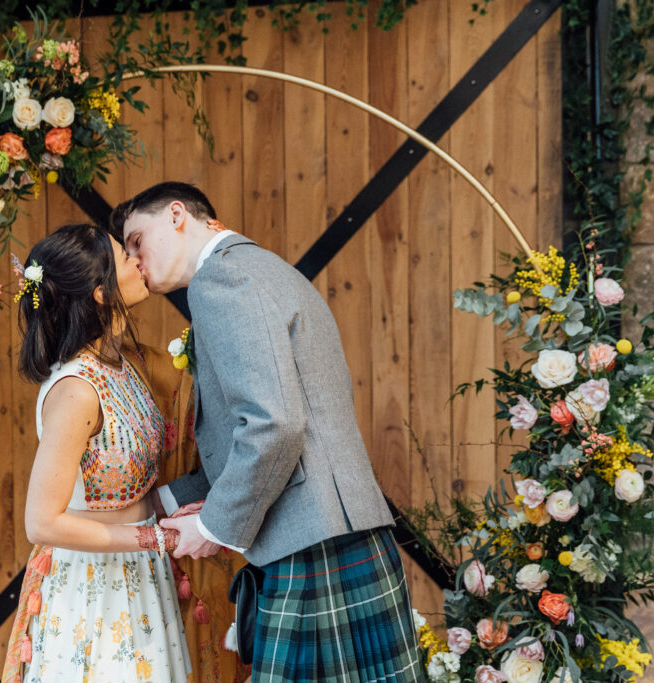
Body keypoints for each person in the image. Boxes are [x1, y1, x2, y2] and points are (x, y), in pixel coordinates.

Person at [110, 182, 424, 682]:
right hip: (334, 530)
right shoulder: (264, 270)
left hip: (307, 540)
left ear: (176, 216)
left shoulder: (221, 281)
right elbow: (282, 425)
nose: (134, 259)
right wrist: (164, 503)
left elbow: (274, 427)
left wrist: (213, 526)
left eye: (135, 241)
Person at [1, 224, 191, 683]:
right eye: (125, 256)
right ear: (101, 292)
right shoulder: (76, 391)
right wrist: (155, 540)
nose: (138, 258)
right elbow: (41, 522)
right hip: (94, 590)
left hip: (143, 577)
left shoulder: (124, 363)